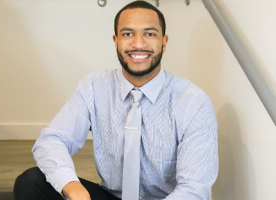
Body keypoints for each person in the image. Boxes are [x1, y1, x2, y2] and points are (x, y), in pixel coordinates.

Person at [14, 1, 218, 200]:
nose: (138, 44)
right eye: (128, 34)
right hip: (111, 196)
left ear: (164, 42)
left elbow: (194, 190)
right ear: (116, 41)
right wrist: (72, 186)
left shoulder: (193, 103)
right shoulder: (94, 87)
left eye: (149, 34)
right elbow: (52, 140)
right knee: (31, 181)